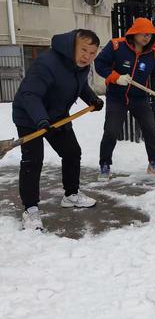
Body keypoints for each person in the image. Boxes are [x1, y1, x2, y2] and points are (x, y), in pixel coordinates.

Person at [12, 29, 104, 230]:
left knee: (72, 153)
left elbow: (79, 86)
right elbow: (29, 95)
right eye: (83, 50)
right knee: (33, 160)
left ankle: (71, 195)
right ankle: (30, 208)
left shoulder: (80, 67)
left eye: (92, 53)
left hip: (57, 117)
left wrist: (92, 100)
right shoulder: (47, 63)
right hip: (29, 116)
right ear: (72, 46)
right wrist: (41, 119)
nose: (87, 57)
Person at [94, 17, 155, 180]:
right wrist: (115, 77)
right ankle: (105, 165)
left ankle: (153, 163)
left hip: (139, 98)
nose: (147, 37)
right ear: (134, 32)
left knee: (149, 130)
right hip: (116, 97)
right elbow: (100, 64)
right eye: (143, 33)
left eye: (150, 34)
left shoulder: (153, 55)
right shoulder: (117, 46)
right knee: (111, 131)